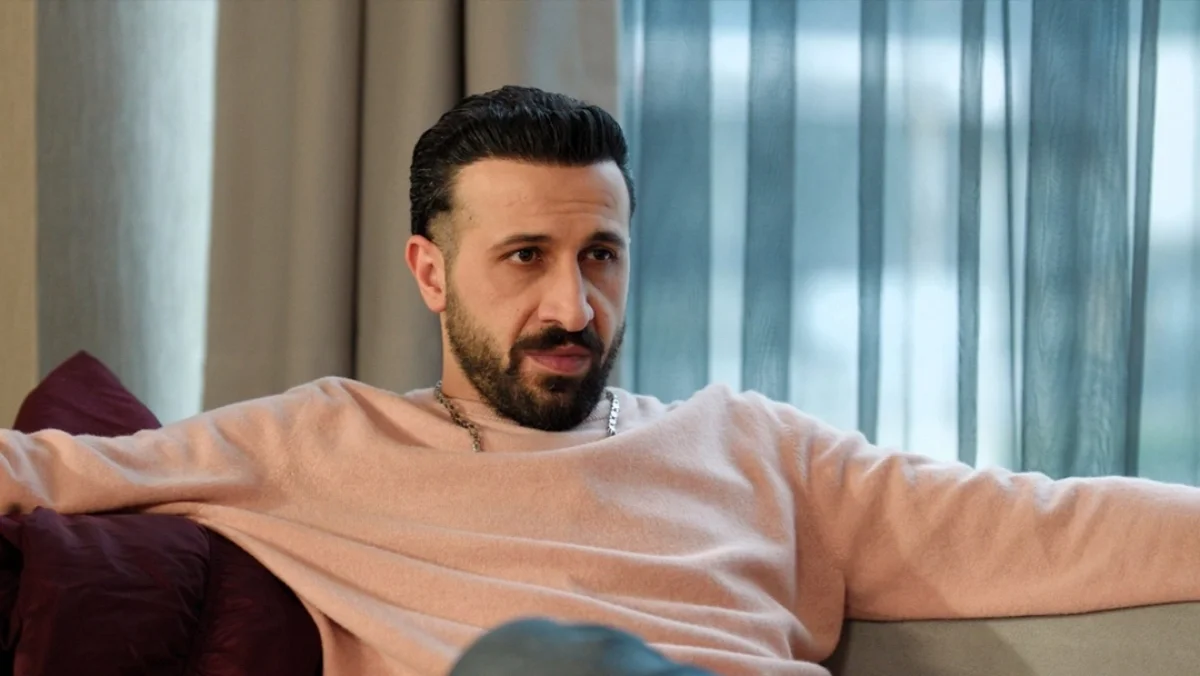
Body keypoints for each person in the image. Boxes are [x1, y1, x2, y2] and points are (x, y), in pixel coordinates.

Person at [3, 85, 1200, 676]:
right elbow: (46, 471)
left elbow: (1043, 521)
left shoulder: (756, 449)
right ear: (430, 272)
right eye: (525, 257)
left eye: (601, 257)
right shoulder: (314, 441)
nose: (574, 308)